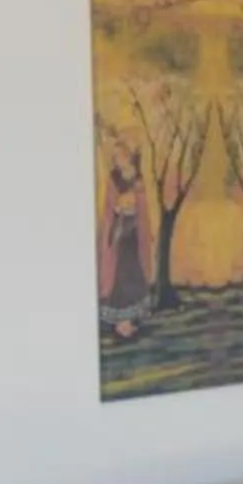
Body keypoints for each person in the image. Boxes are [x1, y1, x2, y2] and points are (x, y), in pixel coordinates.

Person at [97, 136, 151, 338]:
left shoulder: (137, 177)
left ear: (128, 156)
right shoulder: (113, 177)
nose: (118, 160)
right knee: (120, 272)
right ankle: (121, 322)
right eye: (115, 157)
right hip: (120, 230)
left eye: (121, 155)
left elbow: (141, 204)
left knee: (134, 270)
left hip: (134, 231)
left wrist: (133, 202)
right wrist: (120, 205)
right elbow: (111, 204)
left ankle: (131, 319)